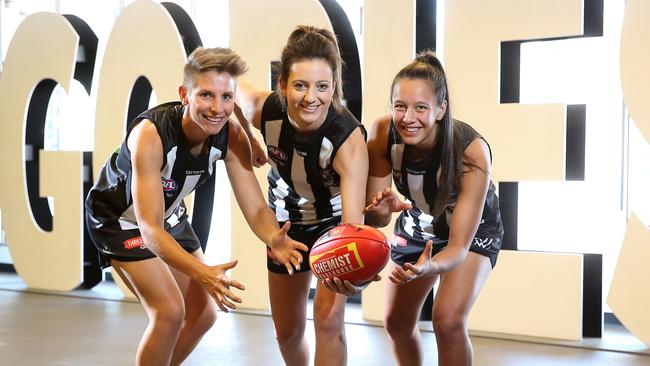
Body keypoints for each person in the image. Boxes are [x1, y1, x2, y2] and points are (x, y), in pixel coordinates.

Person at [85, 47, 307, 366]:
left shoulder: (229, 135)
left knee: (203, 314)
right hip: (120, 221)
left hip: (169, 215)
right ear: (184, 94)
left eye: (226, 97)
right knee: (170, 312)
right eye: (206, 95)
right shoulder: (151, 135)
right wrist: (204, 272)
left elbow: (256, 207)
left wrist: (273, 237)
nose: (217, 108)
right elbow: (149, 230)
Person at [236, 25, 369, 366]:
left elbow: (352, 229)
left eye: (322, 86)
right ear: (282, 84)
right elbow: (228, 81)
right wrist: (248, 138)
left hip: (333, 227)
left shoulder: (347, 140)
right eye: (300, 85)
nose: (312, 97)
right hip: (284, 228)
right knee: (288, 334)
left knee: (327, 320)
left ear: (334, 87)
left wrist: (353, 271)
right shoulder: (265, 111)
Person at [363, 51, 504, 366]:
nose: (408, 118)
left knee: (447, 320)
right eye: (400, 106)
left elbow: (457, 248)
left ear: (441, 110)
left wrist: (431, 267)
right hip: (417, 224)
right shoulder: (382, 134)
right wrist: (385, 209)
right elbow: (377, 219)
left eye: (420, 108)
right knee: (396, 323)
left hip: (470, 232)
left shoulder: (471, 152)